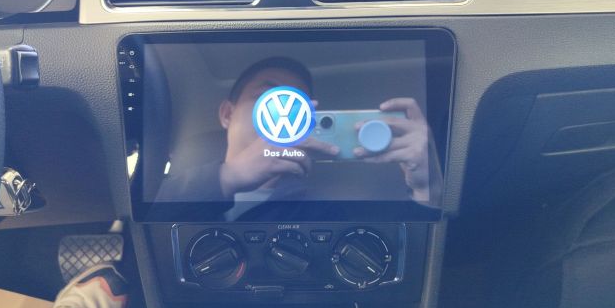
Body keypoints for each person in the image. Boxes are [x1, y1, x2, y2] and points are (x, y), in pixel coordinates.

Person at [160, 56, 441, 220]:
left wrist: (426, 190)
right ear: (227, 114)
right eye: (268, 98)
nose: (283, 112)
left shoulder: (326, 213)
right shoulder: (164, 190)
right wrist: (227, 177)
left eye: (297, 105)